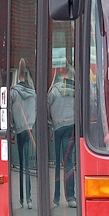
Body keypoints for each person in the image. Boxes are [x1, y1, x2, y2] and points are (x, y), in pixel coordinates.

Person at [48, 64, 76, 207]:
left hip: (57, 127)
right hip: (71, 127)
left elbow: (47, 109)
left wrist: (50, 127)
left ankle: (56, 196)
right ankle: (70, 197)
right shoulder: (76, 91)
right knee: (69, 161)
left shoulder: (54, 91)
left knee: (57, 163)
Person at [10, 59, 36, 209]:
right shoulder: (33, 93)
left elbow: (10, 113)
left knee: (20, 166)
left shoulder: (13, 92)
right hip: (30, 130)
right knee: (27, 166)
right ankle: (30, 198)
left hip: (19, 131)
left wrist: (13, 130)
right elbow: (36, 111)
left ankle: (21, 198)